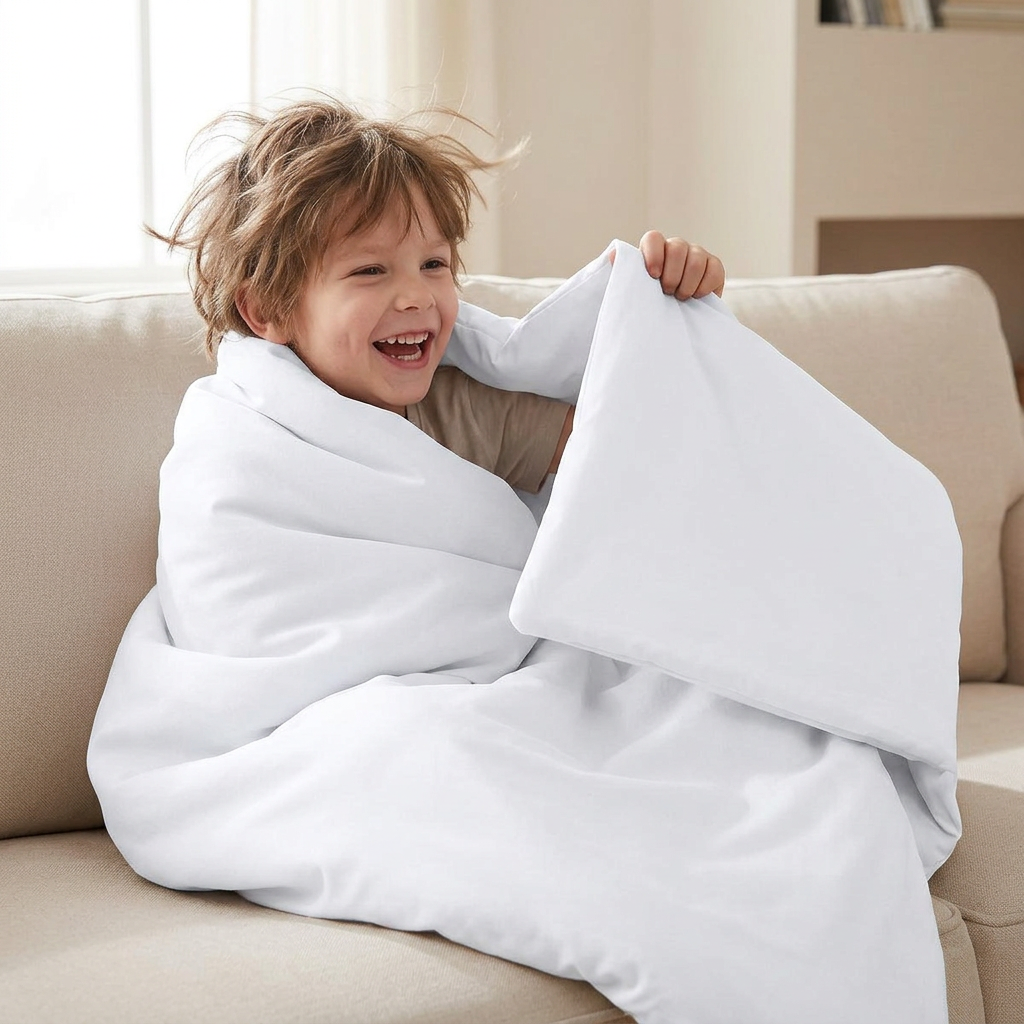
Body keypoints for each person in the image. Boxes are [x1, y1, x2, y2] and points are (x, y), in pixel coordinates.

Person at [151, 96, 726, 494]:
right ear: (266, 310)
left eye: (434, 264)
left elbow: (645, 453)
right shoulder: (244, 436)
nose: (416, 297)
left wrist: (671, 309)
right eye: (371, 270)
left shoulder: (465, 410)